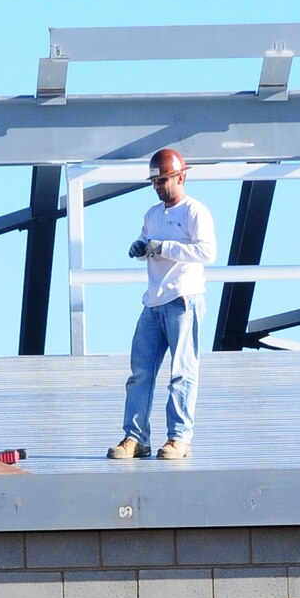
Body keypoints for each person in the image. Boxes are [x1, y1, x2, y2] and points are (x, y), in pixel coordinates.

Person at [108, 147, 217, 462]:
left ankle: (179, 438)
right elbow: (147, 242)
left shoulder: (195, 212)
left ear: (180, 177)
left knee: (182, 371)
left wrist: (163, 246)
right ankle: (135, 438)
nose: (158, 186)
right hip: (154, 302)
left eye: (164, 180)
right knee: (141, 372)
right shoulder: (153, 215)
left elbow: (207, 252)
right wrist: (141, 247)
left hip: (183, 299)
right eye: (155, 181)